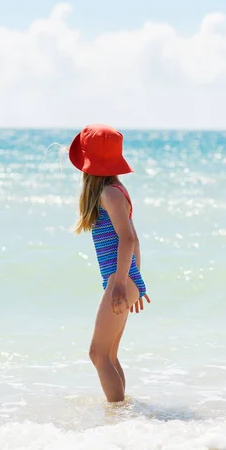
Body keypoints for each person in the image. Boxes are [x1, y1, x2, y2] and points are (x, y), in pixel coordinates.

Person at [69, 124, 150, 403]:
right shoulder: (113, 190)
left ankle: (117, 417)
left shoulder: (110, 194)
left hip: (120, 279)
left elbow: (128, 240)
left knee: (97, 354)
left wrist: (122, 284)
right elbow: (134, 240)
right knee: (109, 355)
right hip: (123, 278)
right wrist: (133, 282)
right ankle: (123, 415)